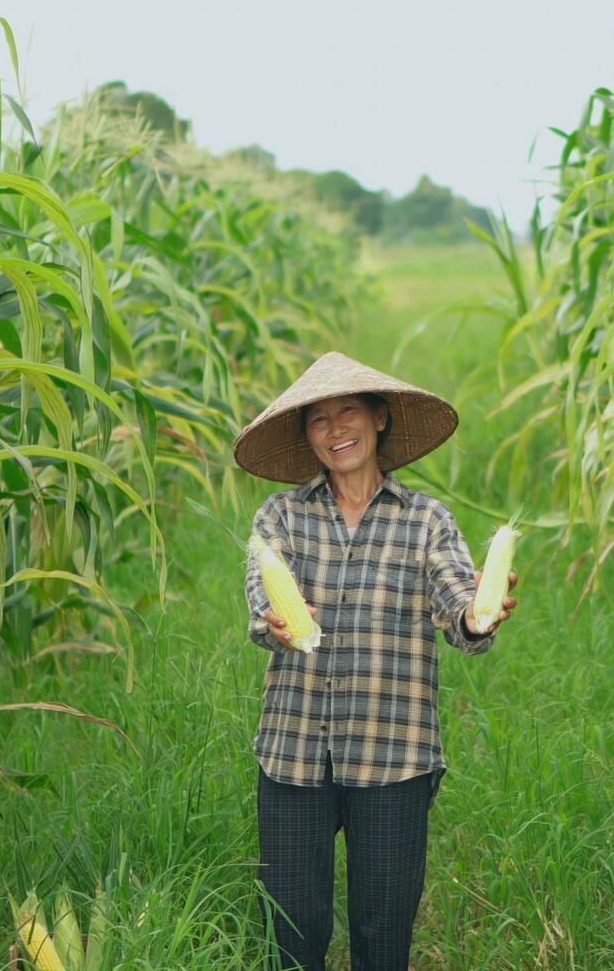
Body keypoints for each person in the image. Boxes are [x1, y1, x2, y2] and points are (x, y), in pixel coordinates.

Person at [232, 351, 518, 971]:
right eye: (319, 421)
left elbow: (456, 600)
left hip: (394, 753)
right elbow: (264, 589)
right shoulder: (281, 516)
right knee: (291, 928)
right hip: (294, 750)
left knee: (382, 930)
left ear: (380, 417)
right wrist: (274, 620)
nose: (336, 430)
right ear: (306, 437)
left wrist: (476, 616)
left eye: (349, 412)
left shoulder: (426, 522)